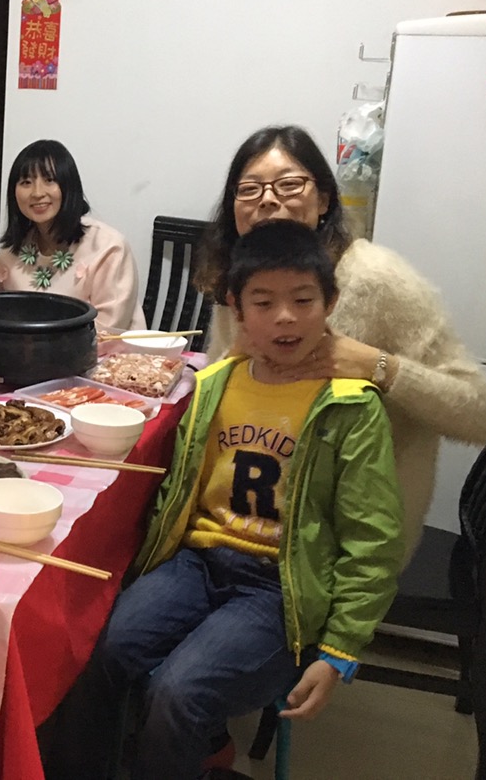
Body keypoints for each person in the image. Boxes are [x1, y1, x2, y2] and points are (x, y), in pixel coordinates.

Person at [44, 219, 404, 780]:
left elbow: (373, 540)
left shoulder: (351, 408)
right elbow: (177, 491)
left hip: (279, 588)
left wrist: (340, 650)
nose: (284, 317)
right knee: (97, 650)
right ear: (236, 308)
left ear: (330, 303)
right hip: (197, 562)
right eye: (263, 302)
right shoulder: (215, 384)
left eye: (303, 300)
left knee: (178, 692)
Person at [194, 125, 486, 558]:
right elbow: (213, 398)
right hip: (243, 515)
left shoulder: (376, 279)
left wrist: (378, 366)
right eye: (249, 189)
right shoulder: (239, 279)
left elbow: (481, 416)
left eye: (288, 185)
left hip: (349, 543)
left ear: (323, 200)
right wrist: (233, 358)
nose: (267, 199)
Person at [0, 140, 146, 330]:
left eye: (49, 180)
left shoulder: (108, 247)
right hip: (23, 348)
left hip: (104, 348)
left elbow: (108, 330)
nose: (37, 193)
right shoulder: (9, 252)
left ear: (69, 186)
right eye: (26, 182)